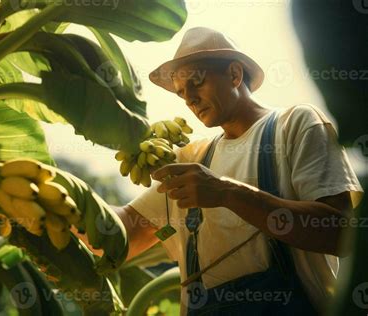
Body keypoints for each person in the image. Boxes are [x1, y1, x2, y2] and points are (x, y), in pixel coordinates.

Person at [112, 27, 364, 315]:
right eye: (182, 93)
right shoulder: (192, 159)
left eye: (196, 82)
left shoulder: (294, 125)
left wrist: (227, 192)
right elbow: (121, 235)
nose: (189, 99)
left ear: (234, 74)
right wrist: (62, 194)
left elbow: (342, 234)